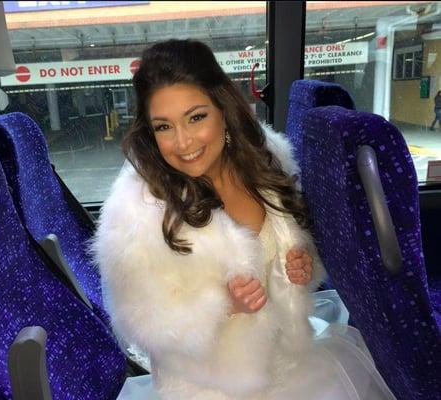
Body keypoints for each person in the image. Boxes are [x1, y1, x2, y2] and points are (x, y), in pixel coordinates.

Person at [93, 39, 396, 400]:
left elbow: (290, 243)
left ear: (222, 107)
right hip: (211, 385)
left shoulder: (266, 159)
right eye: (163, 127)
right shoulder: (134, 212)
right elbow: (140, 322)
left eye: (196, 117)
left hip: (289, 358)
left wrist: (301, 263)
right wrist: (223, 306)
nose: (183, 141)